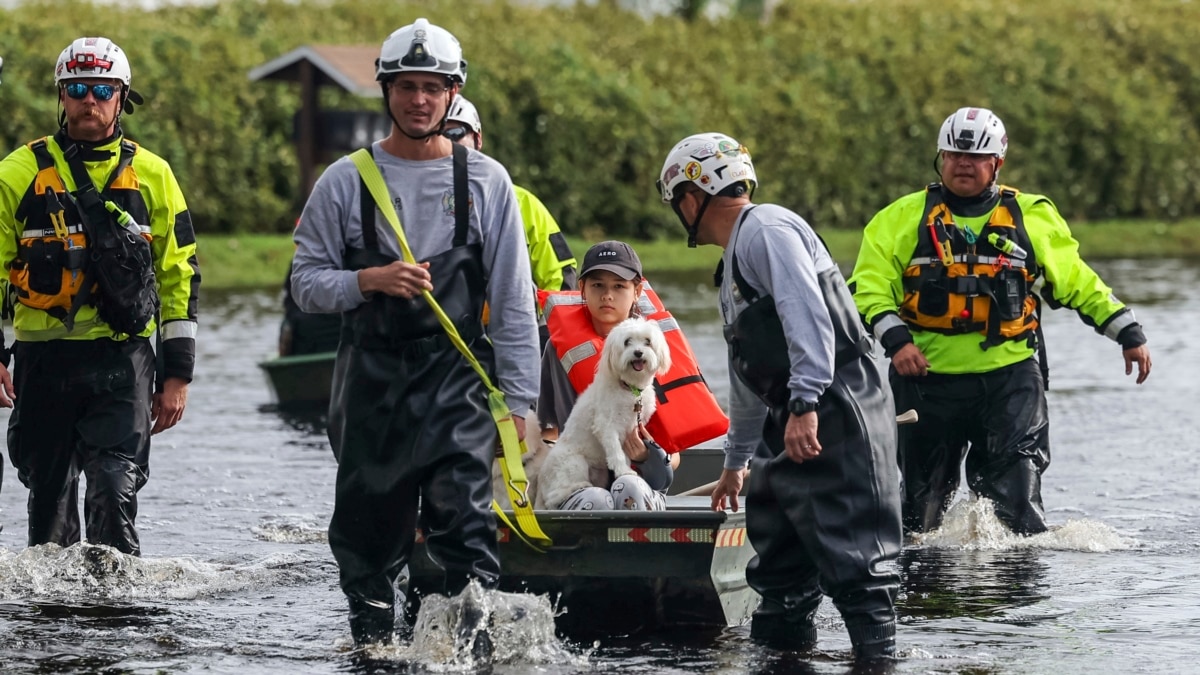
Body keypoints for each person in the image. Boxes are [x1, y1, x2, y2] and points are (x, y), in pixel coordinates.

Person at [289, 18, 539, 646]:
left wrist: (524, 405)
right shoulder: (344, 181)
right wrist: (366, 281)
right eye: (406, 86)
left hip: (455, 382)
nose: (419, 99)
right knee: (369, 545)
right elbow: (305, 283)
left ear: (453, 93)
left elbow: (511, 302)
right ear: (385, 91)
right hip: (369, 382)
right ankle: (375, 650)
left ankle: (473, 651)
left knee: (466, 525)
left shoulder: (487, 181)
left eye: (433, 86)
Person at [849, 106, 1152, 536]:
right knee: (919, 514)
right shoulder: (899, 218)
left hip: (1010, 381)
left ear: (997, 163)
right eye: (954, 155)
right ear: (941, 158)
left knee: (1016, 512)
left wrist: (1126, 331)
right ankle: (924, 598)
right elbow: (868, 287)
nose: (963, 164)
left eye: (974, 157)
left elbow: (1077, 281)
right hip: (925, 381)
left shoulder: (1032, 216)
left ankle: (1016, 598)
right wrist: (897, 342)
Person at [657, 133, 902, 661]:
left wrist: (805, 402)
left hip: (837, 405)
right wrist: (736, 460)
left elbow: (805, 313)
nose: (679, 211)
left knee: (859, 570)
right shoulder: (733, 264)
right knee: (781, 579)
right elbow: (746, 374)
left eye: (677, 200)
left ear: (693, 195)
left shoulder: (766, 228)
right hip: (790, 415)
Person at [0, 37, 199, 555]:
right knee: (49, 504)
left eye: (102, 91)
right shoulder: (17, 173)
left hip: (122, 359)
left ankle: (118, 621)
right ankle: (55, 626)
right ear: (61, 97)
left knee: (114, 490)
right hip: (44, 361)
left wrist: (177, 375)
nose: (90, 101)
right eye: (78, 90)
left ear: (121, 97)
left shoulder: (153, 174)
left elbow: (179, 273)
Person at [536, 241, 676, 511]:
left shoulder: (657, 349)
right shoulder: (558, 348)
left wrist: (647, 455)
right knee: (595, 499)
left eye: (619, 286)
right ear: (582, 290)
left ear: (637, 291)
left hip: (642, 481)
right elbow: (548, 430)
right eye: (598, 285)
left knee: (629, 487)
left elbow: (676, 454)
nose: (607, 295)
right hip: (582, 480)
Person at [443, 95, 577, 346]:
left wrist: (547, 340)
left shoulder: (524, 204)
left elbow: (560, 280)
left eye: (455, 134)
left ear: (477, 139)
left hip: (513, 341)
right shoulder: (412, 205)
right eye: (437, 136)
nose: (446, 145)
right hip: (442, 348)